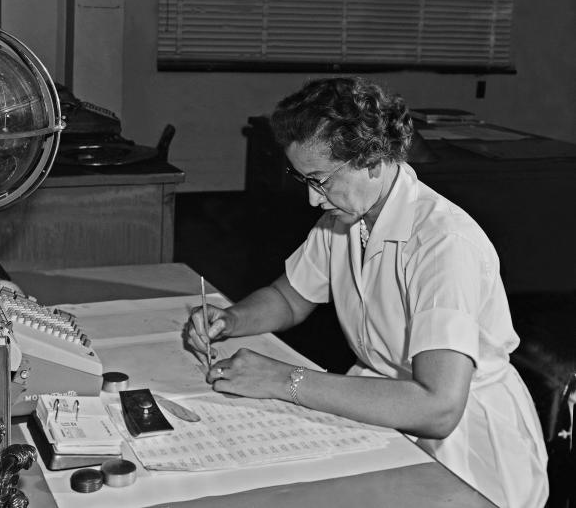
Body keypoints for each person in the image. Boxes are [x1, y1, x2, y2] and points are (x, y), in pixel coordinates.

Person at [186, 77, 548, 508]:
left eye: (319, 180)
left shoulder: (444, 244)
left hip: (466, 450)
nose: (312, 199)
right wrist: (232, 319)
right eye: (302, 179)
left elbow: (438, 408)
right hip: (383, 407)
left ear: (374, 162)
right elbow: (290, 298)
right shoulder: (345, 218)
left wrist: (284, 380)